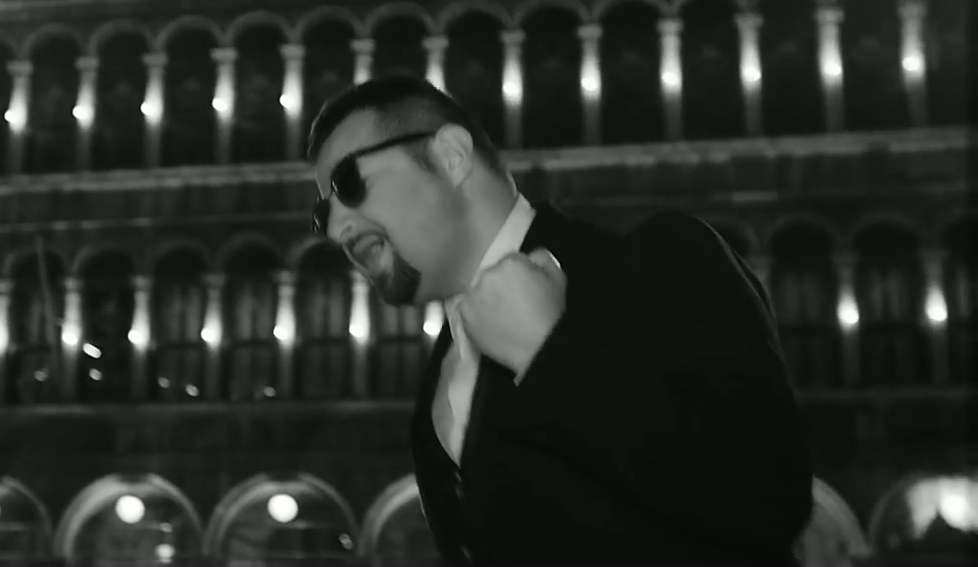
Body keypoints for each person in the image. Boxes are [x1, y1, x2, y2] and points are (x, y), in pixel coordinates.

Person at [306, 75, 813, 566]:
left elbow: (767, 498)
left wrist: (548, 355)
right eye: (322, 212)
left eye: (349, 182)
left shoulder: (661, 259)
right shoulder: (437, 380)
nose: (335, 228)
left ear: (451, 156)